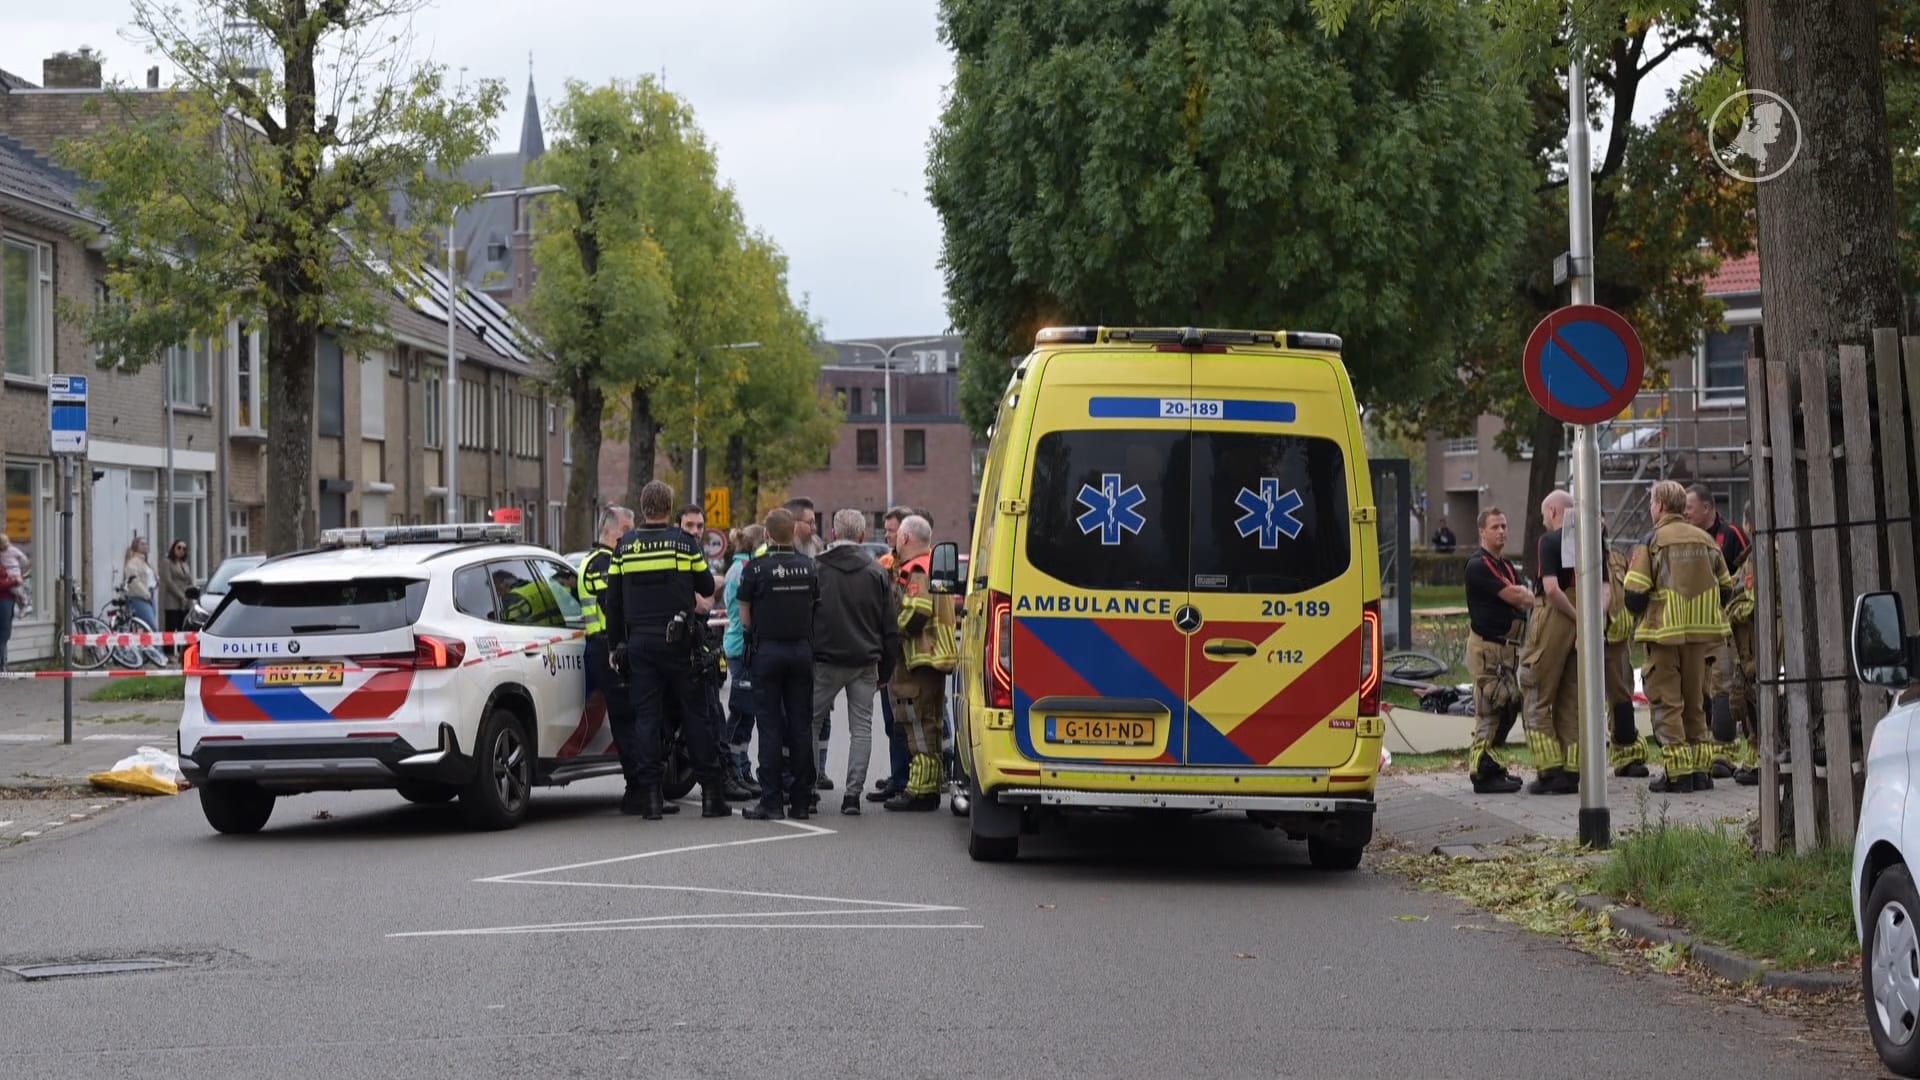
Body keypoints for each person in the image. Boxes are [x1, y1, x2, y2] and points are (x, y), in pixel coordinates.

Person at [600, 480, 732, 821]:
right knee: (696, 716)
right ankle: (711, 796)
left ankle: (652, 797)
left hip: (639, 645)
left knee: (646, 719)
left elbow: (612, 602)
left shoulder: (625, 548)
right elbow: (705, 585)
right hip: (680, 643)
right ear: (670, 509)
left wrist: (616, 646)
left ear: (643, 508)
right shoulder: (684, 545)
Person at [1625, 480, 1740, 793]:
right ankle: (1700, 772)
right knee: (1695, 703)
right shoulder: (1706, 540)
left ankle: (1678, 774)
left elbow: (1634, 595)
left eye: (1651, 504)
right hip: (1702, 638)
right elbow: (1727, 588)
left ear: (1660, 506)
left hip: (1664, 637)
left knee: (1667, 703)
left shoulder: (1652, 541)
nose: (1651, 510)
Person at [812, 508, 899, 815]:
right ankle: (852, 796)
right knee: (861, 728)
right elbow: (890, 626)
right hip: (865, 661)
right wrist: (886, 669)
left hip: (824, 660)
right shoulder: (877, 572)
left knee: (811, 722)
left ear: (834, 534)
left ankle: (809, 789)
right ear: (863, 536)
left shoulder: (817, 568)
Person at [738, 508, 820, 821]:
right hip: (801, 651)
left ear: (768, 535)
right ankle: (801, 800)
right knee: (800, 726)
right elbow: (815, 607)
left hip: (767, 652)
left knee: (770, 727)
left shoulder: (755, 569)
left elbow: (745, 618)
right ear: (793, 532)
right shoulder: (808, 566)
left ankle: (771, 801)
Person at [579, 505, 658, 815]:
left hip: (614, 647)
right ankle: (636, 788)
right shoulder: (599, 563)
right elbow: (612, 604)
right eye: (628, 529)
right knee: (626, 720)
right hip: (604, 648)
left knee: (633, 718)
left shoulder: (612, 559)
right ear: (613, 531)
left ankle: (642, 786)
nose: (632, 534)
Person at [1519, 490, 1589, 796]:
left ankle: (1549, 770)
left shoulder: (1548, 542)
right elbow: (1604, 588)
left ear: (1553, 511)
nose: (1544, 520)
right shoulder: (1591, 541)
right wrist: (1587, 622)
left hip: (1555, 617)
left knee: (1535, 692)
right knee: (1570, 698)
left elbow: (1550, 589)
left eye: (1545, 514)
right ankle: (1573, 770)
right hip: (1583, 619)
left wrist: (1573, 616)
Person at [1684, 483, 1754, 781]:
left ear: (1707, 508)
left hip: (1724, 626)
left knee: (1723, 684)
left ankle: (1723, 750)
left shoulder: (1732, 535)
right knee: (1701, 688)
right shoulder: (1688, 539)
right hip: (1696, 626)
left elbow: (1740, 578)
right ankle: (1709, 748)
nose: (1685, 513)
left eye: (1689, 507)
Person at [887, 514, 957, 811]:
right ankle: (927, 785)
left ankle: (921, 791)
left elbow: (917, 612)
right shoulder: (933, 565)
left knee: (918, 722)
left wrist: (890, 633)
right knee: (930, 721)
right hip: (933, 655)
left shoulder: (917, 570)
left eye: (897, 538)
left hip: (920, 657)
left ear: (905, 538)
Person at [1462, 508, 1532, 793]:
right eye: (1495, 527)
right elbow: (1516, 595)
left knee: (1509, 708)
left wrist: (1524, 595)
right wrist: (1526, 596)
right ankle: (1481, 772)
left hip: (1506, 652)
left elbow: (1520, 593)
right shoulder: (1479, 565)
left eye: (1504, 526)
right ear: (1482, 531)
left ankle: (1492, 765)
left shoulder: (1505, 566)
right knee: (1492, 709)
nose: (1501, 531)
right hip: (1487, 650)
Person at [869, 505, 915, 803]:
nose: (887, 536)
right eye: (885, 530)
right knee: (891, 721)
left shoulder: (915, 568)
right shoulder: (889, 563)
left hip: (907, 656)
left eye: (892, 531)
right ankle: (899, 776)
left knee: (904, 721)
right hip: (890, 654)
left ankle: (905, 779)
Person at [723, 524, 767, 795]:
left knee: (746, 714)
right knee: (741, 714)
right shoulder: (745, 571)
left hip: (739, 646)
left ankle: (741, 768)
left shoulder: (739, 567)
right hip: (742, 648)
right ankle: (732, 768)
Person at [1604, 531, 1650, 778]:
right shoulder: (1569, 554)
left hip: (1616, 640)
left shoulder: (1617, 558)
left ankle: (1626, 756)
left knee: (1621, 698)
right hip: (1579, 639)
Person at [122, 537, 157, 630]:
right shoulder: (132, 562)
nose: (145, 546)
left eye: (146, 544)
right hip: (139, 597)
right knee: (151, 627)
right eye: (142, 544)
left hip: (150, 594)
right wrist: (146, 594)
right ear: (135, 546)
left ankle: (149, 645)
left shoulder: (147, 561)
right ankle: (157, 645)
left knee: (148, 627)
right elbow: (134, 582)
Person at [161, 540, 195, 636]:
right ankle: (169, 651)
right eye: (179, 547)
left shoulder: (184, 563)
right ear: (173, 548)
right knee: (171, 628)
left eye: (184, 548)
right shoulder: (167, 562)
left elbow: (189, 580)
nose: (181, 550)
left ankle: (183, 650)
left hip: (186, 601)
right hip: (173, 600)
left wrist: (191, 594)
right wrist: (181, 596)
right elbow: (168, 581)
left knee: (184, 629)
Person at [0, 532, 22, 672]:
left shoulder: (6, 560)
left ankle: (3, 663)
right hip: (3, 600)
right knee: (3, 633)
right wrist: (14, 581)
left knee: (5, 633)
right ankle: (2, 666)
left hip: (8, 599)